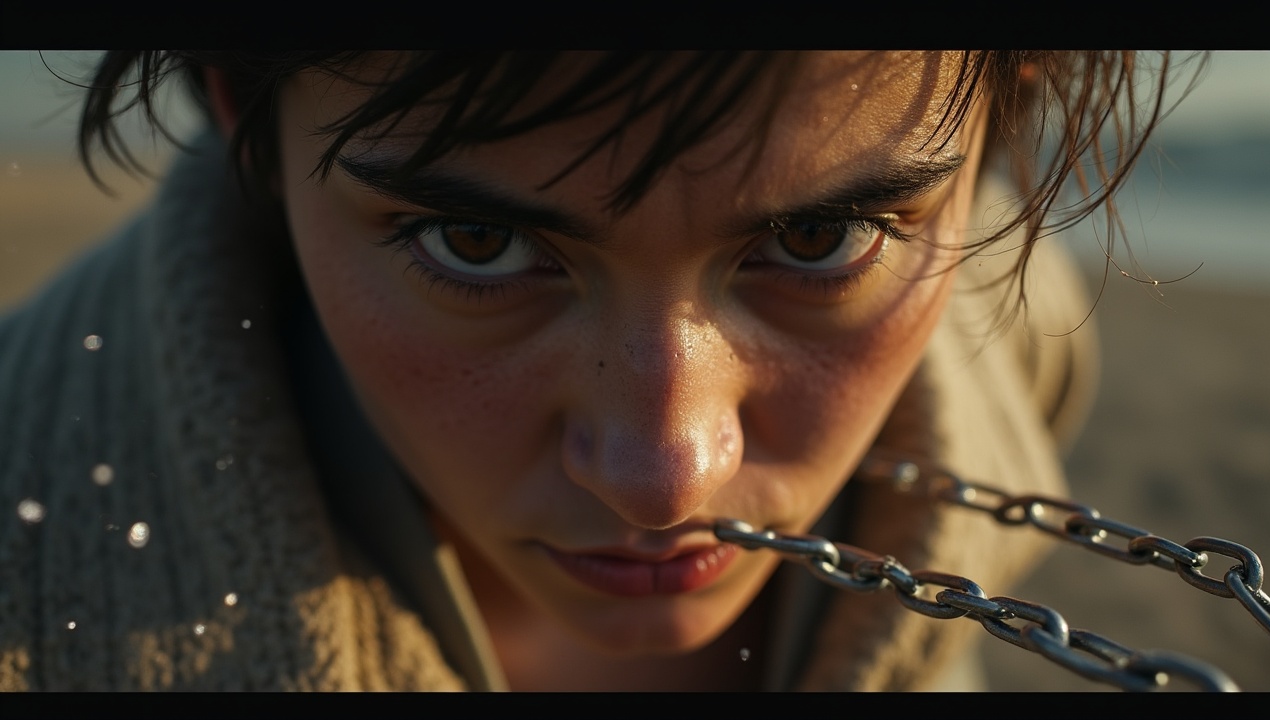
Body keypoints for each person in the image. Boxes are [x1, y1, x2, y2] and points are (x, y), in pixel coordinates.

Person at [0, 51, 1195, 691]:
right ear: (237, 101)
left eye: (815, 241)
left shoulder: (1014, 336)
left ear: (1012, 98)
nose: (664, 474)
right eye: (477, 244)